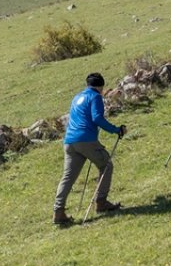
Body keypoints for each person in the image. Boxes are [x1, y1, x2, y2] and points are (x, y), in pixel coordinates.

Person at [53, 73, 126, 224]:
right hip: (85, 139)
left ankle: (58, 211)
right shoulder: (95, 97)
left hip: (69, 141)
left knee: (68, 177)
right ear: (101, 86)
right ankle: (101, 202)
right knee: (106, 165)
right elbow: (97, 118)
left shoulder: (77, 97)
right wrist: (116, 130)